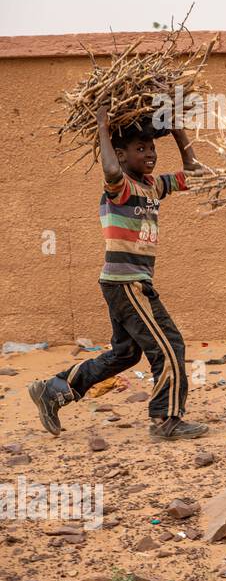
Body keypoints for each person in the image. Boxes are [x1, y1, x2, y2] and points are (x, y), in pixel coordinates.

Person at [29, 105, 208, 439]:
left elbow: (195, 173)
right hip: (127, 284)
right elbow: (110, 169)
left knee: (126, 353)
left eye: (152, 148)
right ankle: (165, 419)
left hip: (123, 283)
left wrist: (178, 129)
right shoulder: (120, 187)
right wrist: (101, 124)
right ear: (122, 156)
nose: (150, 154)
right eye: (140, 149)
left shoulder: (153, 187)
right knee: (170, 345)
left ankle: (53, 390)